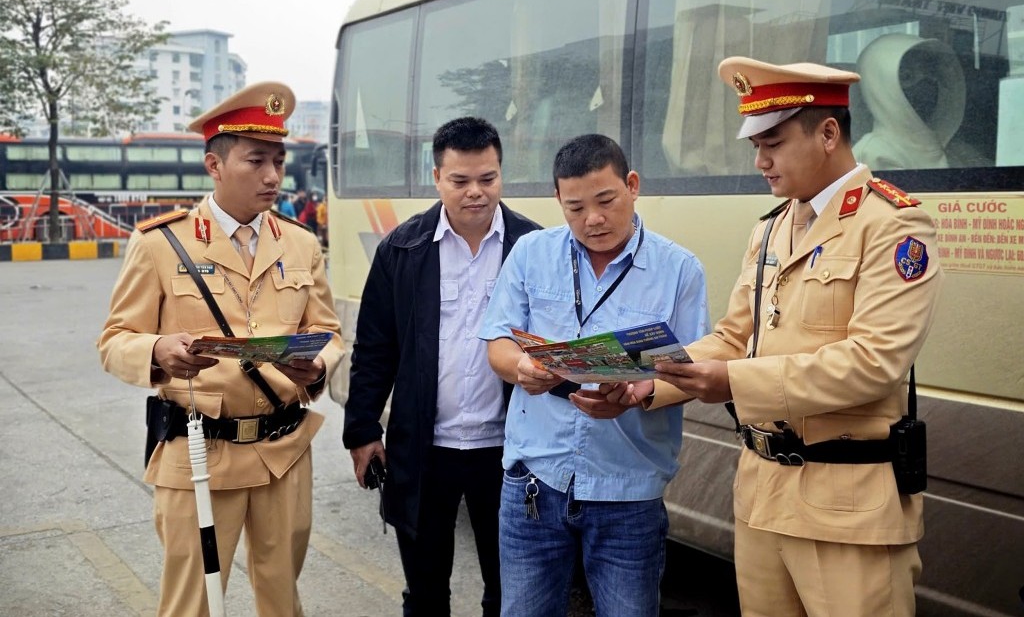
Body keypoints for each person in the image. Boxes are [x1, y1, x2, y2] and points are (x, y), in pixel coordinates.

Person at [653, 57, 944, 617]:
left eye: (774, 143)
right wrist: (644, 381)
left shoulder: (895, 225)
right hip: (763, 500)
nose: (760, 161)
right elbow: (733, 338)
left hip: (847, 511)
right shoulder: (771, 228)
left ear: (828, 133)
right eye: (756, 146)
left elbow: (873, 362)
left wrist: (731, 382)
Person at [98, 81, 344, 617]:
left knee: (282, 598)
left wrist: (317, 365)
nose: (273, 176)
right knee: (192, 602)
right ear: (214, 164)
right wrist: (159, 349)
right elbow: (115, 341)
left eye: (278, 160)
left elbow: (329, 330)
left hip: (284, 450)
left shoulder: (299, 242)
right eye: (256, 160)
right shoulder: (162, 243)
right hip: (200, 454)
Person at [479, 134, 709, 617]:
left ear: (632, 185)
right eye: (575, 208)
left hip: (628, 490)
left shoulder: (679, 269)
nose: (593, 220)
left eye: (605, 201)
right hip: (534, 484)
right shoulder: (531, 253)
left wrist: (638, 392)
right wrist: (523, 369)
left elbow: (690, 370)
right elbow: (497, 342)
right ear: (558, 202)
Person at [343, 117, 542, 616]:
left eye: (488, 178)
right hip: (424, 449)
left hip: (510, 452)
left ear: (501, 174)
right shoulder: (402, 249)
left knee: (511, 591)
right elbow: (374, 347)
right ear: (437, 178)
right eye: (460, 181)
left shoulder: (534, 248)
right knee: (426, 591)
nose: (476, 192)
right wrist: (363, 429)